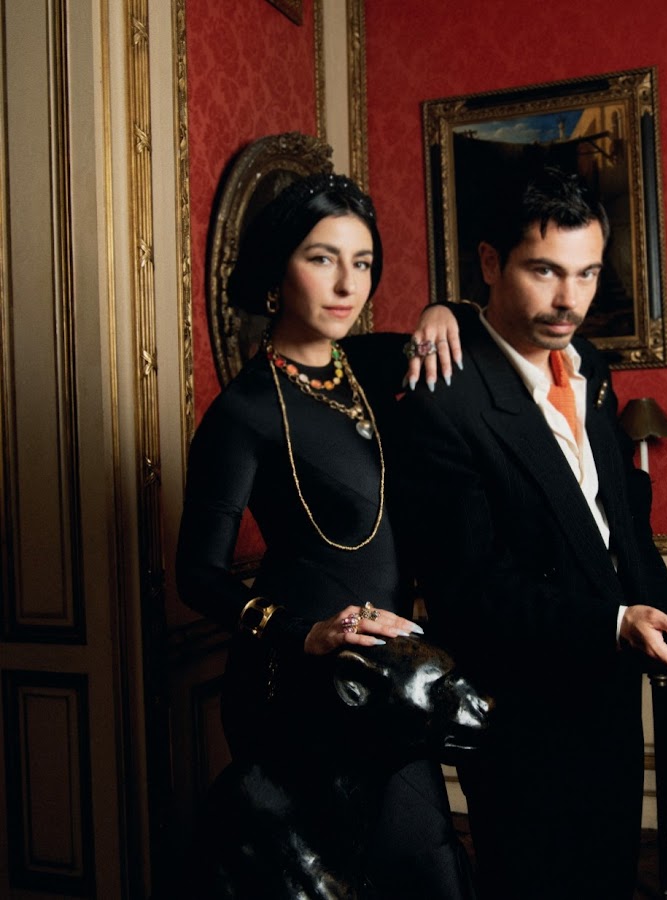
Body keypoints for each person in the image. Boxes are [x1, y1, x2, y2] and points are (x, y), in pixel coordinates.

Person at [387, 165, 667, 899]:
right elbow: (468, 591)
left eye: (587, 273)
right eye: (544, 271)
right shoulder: (441, 400)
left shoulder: (589, 365)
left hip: (609, 686)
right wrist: (614, 623)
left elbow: (619, 523)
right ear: (490, 262)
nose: (570, 299)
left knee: (608, 878)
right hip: (522, 712)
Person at [175, 172, 473, 899]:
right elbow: (196, 573)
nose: (347, 284)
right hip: (298, 682)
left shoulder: (373, 364)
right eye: (322, 258)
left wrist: (444, 308)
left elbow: (467, 333)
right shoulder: (243, 411)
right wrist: (301, 633)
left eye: (362, 262)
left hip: (388, 676)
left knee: (432, 869)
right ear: (278, 270)